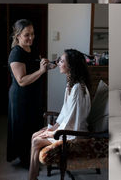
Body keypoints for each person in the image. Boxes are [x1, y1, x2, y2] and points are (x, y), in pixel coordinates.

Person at [28, 49, 91, 180]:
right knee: (35, 135)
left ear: (70, 66)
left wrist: (53, 133)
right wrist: (53, 128)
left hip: (74, 133)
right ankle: (33, 175)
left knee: (36, 141)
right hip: (66, 128)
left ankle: (32, 177)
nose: (58, 63)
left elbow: (74, 120)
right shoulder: (70, 84)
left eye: (62, 61)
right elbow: (64, 113)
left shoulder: (78, 88)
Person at [7, 19, 49, 167]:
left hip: (33, 95)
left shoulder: (33, 48)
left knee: (34, 125)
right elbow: (22, 81)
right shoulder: (16, 53)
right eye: (27, 35)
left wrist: (46, 66)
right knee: (24, 127)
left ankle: (33, 155)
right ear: (18, 36)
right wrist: (41, 71)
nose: (31, 37)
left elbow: (35, 70)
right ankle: (26, 160)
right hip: (21, 97)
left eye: (32, 34)